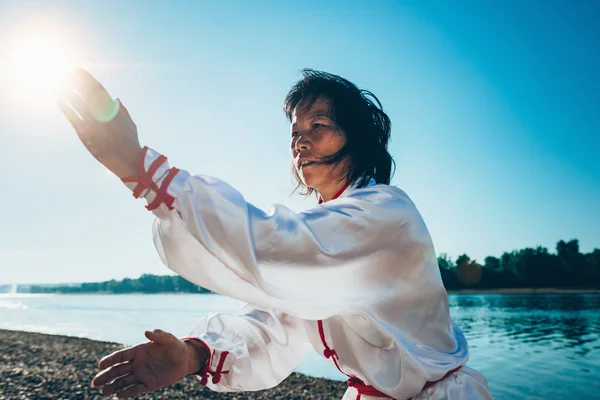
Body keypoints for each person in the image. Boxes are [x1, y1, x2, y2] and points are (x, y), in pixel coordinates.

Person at [57, 69, 493, 400]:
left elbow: (275, 243)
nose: (301, 143)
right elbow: (274, 323)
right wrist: (194, 355)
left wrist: (144, 171)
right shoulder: (326, 231)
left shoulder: (385, 214)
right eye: (295, 134)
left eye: (318, 127)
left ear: (357, 139)